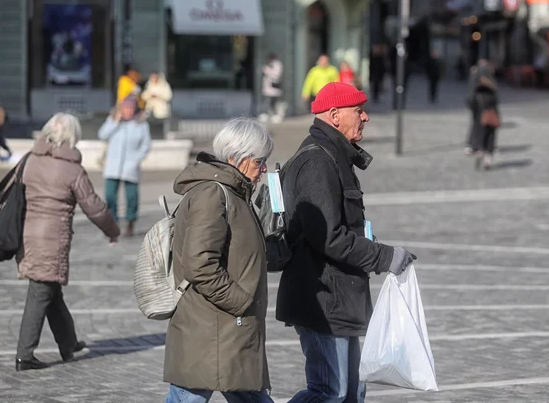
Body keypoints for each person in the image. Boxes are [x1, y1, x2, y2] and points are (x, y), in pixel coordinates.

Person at [276, 82, 417, 403]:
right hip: (323, 301)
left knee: (351, 393)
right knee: (331, 392)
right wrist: (384, 257)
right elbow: (327, 236)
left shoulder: (333, 156)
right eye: (359, 110)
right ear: (335, 115)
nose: (365, 117)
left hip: (338, 298)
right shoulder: (318, 161)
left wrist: (367, 242)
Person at [164, 118, 274, 403]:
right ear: (235, 158)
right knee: (189, 396)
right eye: (260, 161)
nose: (263, 169)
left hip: (227, 329)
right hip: (213, 328)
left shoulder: (236, 193)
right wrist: (241, 301)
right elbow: (200, 264)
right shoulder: (213, 194)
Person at [15, 113, 120, 371]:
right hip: (52, 239)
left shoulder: (29, 160)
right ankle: (24, 356)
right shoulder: (72, 169)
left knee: (51, 291)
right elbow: (93, 206)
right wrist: (112, 230)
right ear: (73, 136)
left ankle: (68, 342)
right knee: (40, 292)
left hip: (26, 236)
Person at [98, 96, 151, 236]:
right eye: (125, 108)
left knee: (132, 197)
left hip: (130, 166)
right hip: (113, 165)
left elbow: (146, 145)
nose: (127, 111)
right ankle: (113, 222)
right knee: (110, 195)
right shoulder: (113, 121)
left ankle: (130, 222)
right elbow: (102, 135)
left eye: (130, 108)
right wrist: (115, 122)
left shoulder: (141, 125)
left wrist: (136, 159)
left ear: (135, 109)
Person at [474, 74, 500, 170]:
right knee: (491, 139)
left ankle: (480, 152)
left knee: (482, 136)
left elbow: (472, 102)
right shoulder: (492, 92)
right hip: (492, 116)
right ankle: (487, 161)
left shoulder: (478, 92)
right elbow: (496, 104)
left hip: (481, 117)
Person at [259, 53, 284, 123]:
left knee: (275, 102)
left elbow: (276, 74)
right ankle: (268, 114)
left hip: (274, 87)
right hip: (268, 88)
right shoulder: (269, 64)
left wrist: (267, 71)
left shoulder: (277, 64)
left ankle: (276, 115)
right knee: (268, 102)